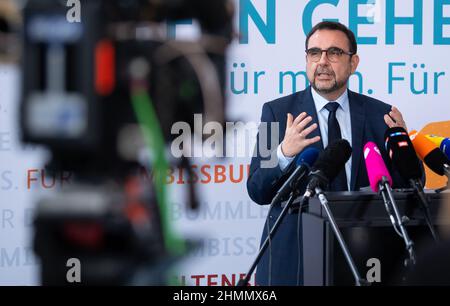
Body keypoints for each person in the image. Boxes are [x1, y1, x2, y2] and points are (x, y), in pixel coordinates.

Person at [247, 21, 413, 286]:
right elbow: (257, 189)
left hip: (362, 258)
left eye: (334, 53)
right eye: (315, 53)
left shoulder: (380, 115)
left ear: (353, 62)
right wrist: (283, 153)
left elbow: (410, 187)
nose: (322, 61)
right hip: (294, 262)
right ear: (306, 60)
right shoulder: (276, 114)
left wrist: (403, 149)